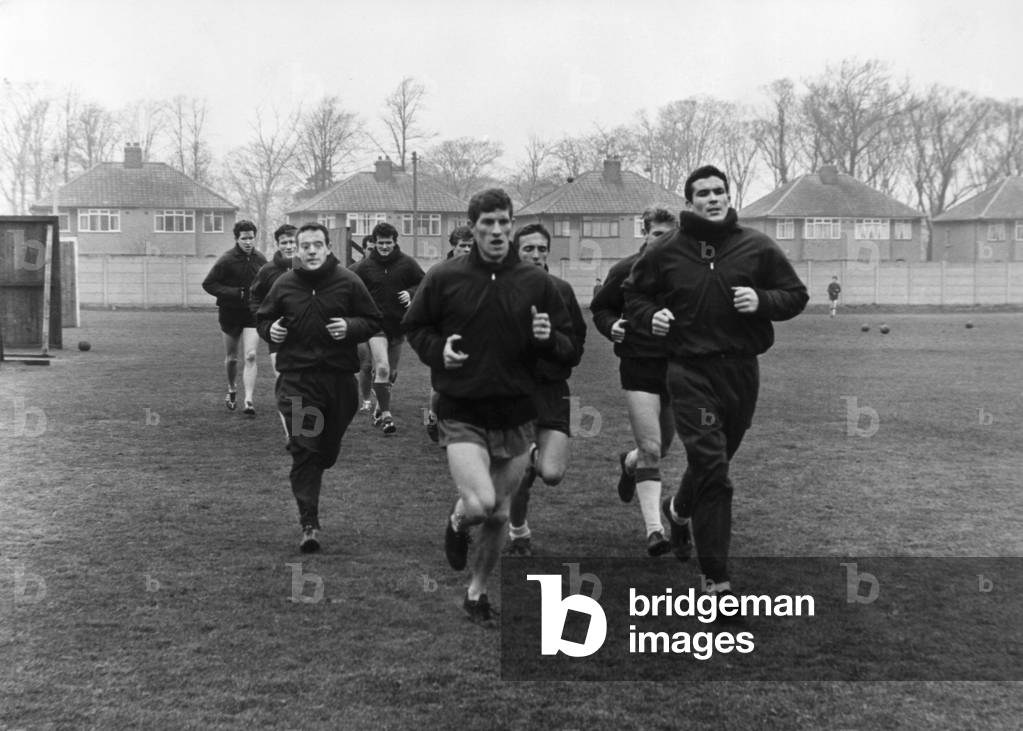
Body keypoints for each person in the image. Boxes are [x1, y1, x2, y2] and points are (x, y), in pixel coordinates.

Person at [624, 165, 808, 601]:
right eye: (703, 193)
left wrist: (762, 300)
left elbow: (796, 295)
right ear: (689, 203)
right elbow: (634, 295)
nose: (712, 198)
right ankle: (716, 581)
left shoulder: (757, 246)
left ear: (728, 197)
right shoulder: (666, 250)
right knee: (713, 470)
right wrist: (652, 316)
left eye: (719, 191)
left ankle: (678, 509)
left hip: (741, 371)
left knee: (718, 458)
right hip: (689, 371)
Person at [402, 188, 576, 627]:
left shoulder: (538, 284)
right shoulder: (444, 277)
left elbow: (568, 350)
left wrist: (547, 338)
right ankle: (459, 522)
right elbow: (415, 326)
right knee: (480, 505)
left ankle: (476, 592)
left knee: (500, 513)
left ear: (512, 224)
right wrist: (440, 351)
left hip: (518, 413)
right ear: (473, 227)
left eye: (504, 222)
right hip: (462, 409)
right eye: (487, 224)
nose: (497, 231)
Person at [256, 223, 382, 552]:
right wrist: (273, 332)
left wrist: (351, 327)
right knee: (305, 451)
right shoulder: (284, 284)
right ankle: (309, 524)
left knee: (325, 453)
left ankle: (320, 453)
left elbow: (373, 319)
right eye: (305, 246)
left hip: (338, 381)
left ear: (327, 248)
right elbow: (264, 318)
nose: (311, 250)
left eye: (317, 245)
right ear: (296, 250)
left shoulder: (348, 281)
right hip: (298, 380)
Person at [590, 207, 679, 557]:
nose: (663, 241)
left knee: (662, 448)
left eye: (670, 236)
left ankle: (629, 464)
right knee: (653, 449)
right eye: (657, 234)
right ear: (644, 234)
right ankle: (654, 530)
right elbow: (601, 308)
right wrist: (611, 327)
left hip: (676, 369)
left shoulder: (684, 274)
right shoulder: (626, 269)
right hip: (638, 366)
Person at [506, 223, 586, 556]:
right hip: (514, 394)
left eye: (541, 249)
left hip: (552, 391)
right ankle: (518, 530)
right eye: (528, 249)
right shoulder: (500, 290)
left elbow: (575, 346)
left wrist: (550, 341)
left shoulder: (561, 290)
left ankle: (536, 456)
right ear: (515, 251)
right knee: (520, 475)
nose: (536, 255)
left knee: (551, 473)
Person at [350, 222, 425, 435]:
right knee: (381, 367)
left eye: (388, 243)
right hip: (375, 326)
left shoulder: (407, 263)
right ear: (374, 243)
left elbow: (424, 283)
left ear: (395, 242)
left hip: (398, 325)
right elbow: (347, 281)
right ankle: (386, 416)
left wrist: (410, 293)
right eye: (380, 243)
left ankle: (378, 406)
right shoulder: (364, 266)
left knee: (390, 373)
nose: (384, 247)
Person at [202, 219, 267, 415]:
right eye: (244, 238)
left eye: (251, 238)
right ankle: (232, 389)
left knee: (251, 355)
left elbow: (267, 283)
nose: (248, 242)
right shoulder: (226, 260)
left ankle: (248, 400)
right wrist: (234, 293)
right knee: (232, 358)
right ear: (237, 239)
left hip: (251, 314)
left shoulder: (261, 260)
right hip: (229, 314)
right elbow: (209, 284)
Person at [425, 225, 477, 442]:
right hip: (445, 337)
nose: (467, 250)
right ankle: (433, 416)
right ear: (453, 248)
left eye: (470, 246)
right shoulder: (440, 273)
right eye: (462, 246)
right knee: (441, 387)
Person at [250, 224, 298, 377]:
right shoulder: (267, 270)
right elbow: (255, 297)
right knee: (284, 380)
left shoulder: (310, 268)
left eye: (292, 242)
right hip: (278, 332)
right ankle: (292, 402)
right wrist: (265, 324)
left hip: (305, 333)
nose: (289, 246)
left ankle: (298, 402)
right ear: (278, 245)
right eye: (284, 243)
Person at [355, 235, 376, 413]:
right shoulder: (353, 270)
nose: (373, 251)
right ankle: (367, 400)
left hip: (382, 325)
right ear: (363, 249)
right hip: (360, 324)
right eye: (369, 248)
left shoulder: (387, 270)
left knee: (387, 369)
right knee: (366, 364)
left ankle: (382, 396)